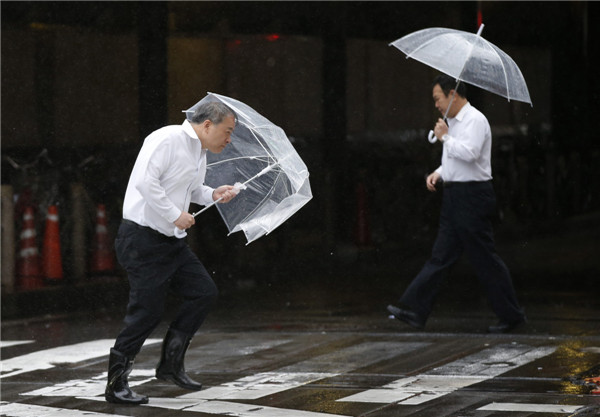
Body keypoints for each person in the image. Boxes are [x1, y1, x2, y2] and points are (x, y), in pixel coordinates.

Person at [105, 102, 240, 405]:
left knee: (203, 292)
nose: (228, 139)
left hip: (170, 241)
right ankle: (115, 384)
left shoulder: (199, 152)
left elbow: (191, 190)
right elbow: (144, 182)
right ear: (207, 124)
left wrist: (214, 193)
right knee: (147, 311)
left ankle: (169, 365)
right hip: (141, 240)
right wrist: (174, 214)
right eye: (227, 132)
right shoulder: (165, 139)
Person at [387, 74, 526, 334]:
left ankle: (511, 314)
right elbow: (454, 159)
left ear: (452, 94)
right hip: (455, 195)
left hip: (472, 195)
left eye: (438, 98)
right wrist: (440, 172)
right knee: (441, 256)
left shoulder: (475, 120)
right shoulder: (451, 122)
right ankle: (415, 310)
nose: (436, 105)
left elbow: (470, 154)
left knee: (484, 259)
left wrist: (445, 139)